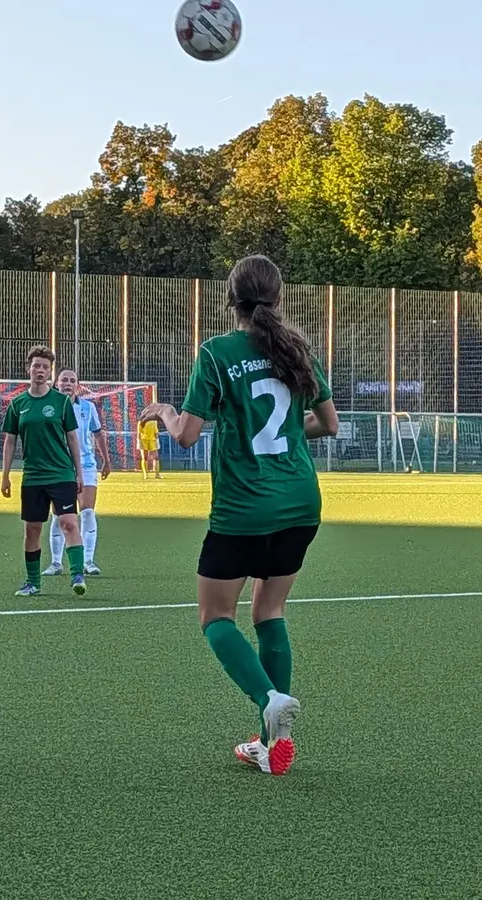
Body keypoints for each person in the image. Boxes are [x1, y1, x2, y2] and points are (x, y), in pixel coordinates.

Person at [140, 255, 338, 777]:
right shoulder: (297, 350)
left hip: (243, 507)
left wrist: (162, 412)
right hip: (300, 502)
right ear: (278, 297)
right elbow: (329, 424)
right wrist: (290, 437)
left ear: (231, 298)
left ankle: (269, 701)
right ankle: (270, 743)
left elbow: (184, 434)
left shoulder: (216, 352)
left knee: (215, 618)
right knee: (269, 613)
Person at [1, 346, 86, 597]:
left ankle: (77, 576)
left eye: (45, 367)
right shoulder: (18, 404)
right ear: (29, 368)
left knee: (69, 523)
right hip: (33, 477)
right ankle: (33, 582)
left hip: (61, 474)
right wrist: (5, 475)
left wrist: (79, 473)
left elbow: (72, 438)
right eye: (36, 365)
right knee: (32, 530)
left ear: (51, 372)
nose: (40, 370)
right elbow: (9, 441)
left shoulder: (61, 402)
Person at [47, 370, 111, 576]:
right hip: (58, 465)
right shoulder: (48, 407)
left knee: (87, 512)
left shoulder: (87, 407)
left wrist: (106, 460)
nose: (68, 383)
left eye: (72, 380)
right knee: (59, 515)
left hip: (85, 464)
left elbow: (98, 433)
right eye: (64, 380)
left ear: (78, 385)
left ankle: (88, 560)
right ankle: (56, 562)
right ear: (56, 383)